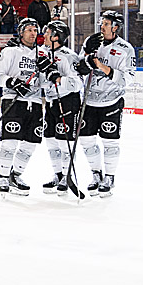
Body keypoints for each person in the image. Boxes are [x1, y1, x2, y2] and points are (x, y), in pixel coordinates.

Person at [73, 11, 136, 198]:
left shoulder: (125, 49)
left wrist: (101, 66)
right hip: (89, 101)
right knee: (87, 140)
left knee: (110, 142)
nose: (102, 26)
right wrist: (86, 56)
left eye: (106, 23)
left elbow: (128, 78)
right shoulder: (92, 42)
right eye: (102, 22)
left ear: (115, 27)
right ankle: (96, 174)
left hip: (111, 102)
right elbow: (78, 69)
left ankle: (109, 177)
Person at [0, 17, 45, 197]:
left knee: (30, 143)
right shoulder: (10, 51)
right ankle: (3, 177)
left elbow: (46, 81)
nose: (33, 33)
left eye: (35, 30)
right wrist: (13, 83)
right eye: (29, 29)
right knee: (10, 142)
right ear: (21, 32)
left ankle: (16, 175)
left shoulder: (43, 53)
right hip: (13, 102)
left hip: (35, 103)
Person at [32, 20, 85, 197]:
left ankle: (67, 176)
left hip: (68, 102)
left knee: (64, 142)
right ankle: (58, 174)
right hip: (51, 102)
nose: (44, 35)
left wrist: (58, 78)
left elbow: (77, 83)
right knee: (50, 141)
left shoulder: (69, 56)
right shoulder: (42, 53)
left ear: (56, 36)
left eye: (48, 32)